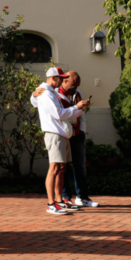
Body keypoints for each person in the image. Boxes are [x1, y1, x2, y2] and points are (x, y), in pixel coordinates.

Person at [32, 67, 89, 215]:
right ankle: (51, 204)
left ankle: (58, 201)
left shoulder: (50, 92)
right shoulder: (45, 92)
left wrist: (80, 109)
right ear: (53, 78)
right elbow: (59, 114)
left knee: (61, 169)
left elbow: (62, 114)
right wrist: (76, 107)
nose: (63, 80)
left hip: (61, 134)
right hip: (54, 134)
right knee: (54, 169)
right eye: (60, 78)